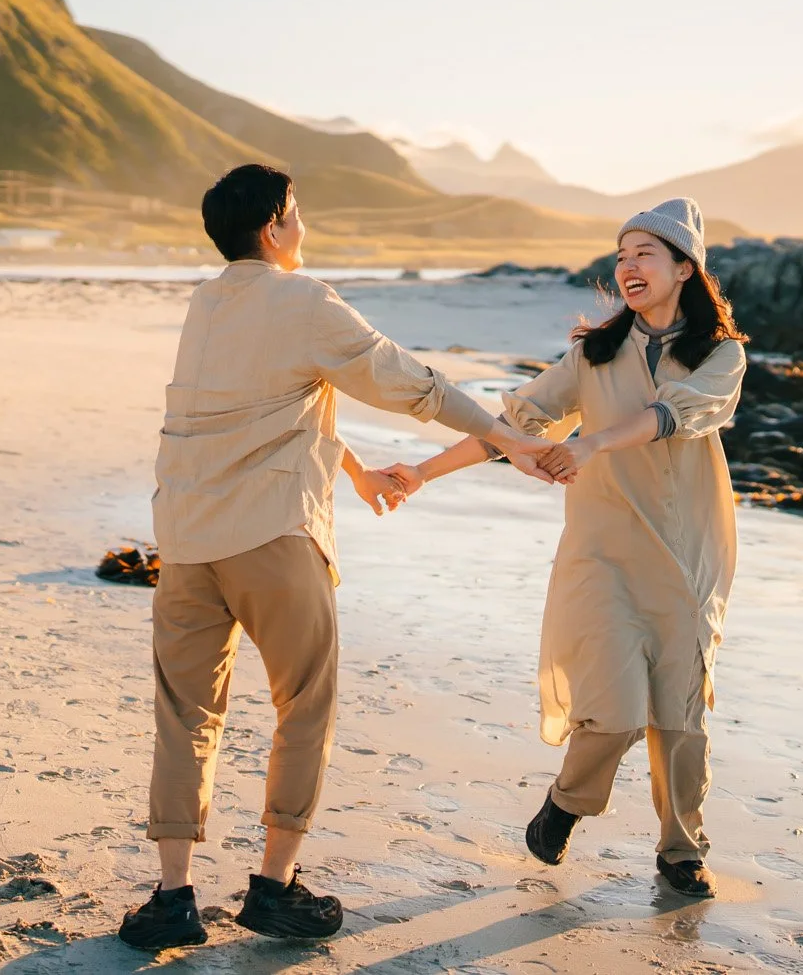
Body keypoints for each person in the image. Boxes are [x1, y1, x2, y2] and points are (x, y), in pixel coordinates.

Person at [118, 164, 562, 952]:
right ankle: (274, 886)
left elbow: (261, 406)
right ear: (277, 225)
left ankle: (171, 897)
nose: (302, 227)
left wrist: (356, 474)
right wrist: (511, 438)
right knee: (304, 707)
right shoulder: (304, 298)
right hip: (274, 537)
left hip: (185, 541)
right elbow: (410, 382)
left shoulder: (205, 302)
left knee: (185, 714)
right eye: (298, 214)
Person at [376, 197, 747, 899]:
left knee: (681, 716)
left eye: (645, 253)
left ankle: (681, 849)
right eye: (621, 253)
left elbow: (681, 414)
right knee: (610, 713)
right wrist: (422, 472)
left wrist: (592, 442)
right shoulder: (593, 354)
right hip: (603, 554)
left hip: (690, 557)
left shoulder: (721, 355)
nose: (628, 265)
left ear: (683, 267)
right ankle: (569, 801)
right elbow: (511, 424)